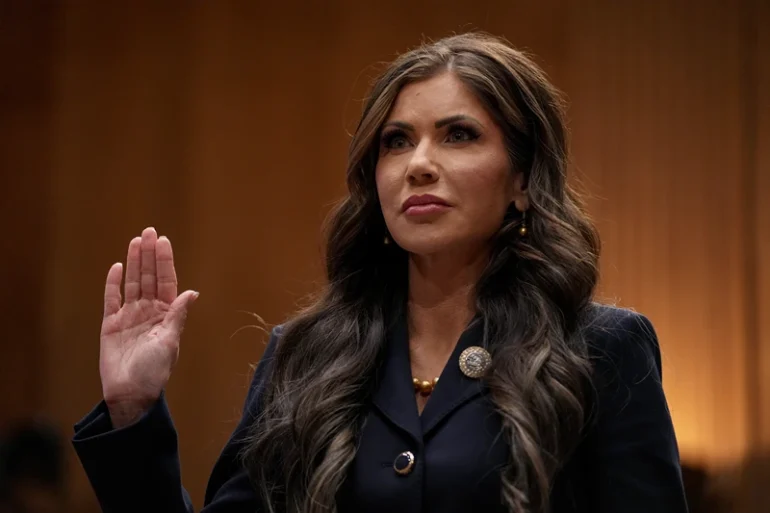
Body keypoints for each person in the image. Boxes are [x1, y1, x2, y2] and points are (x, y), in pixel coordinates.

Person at [72, 32, 688, 513]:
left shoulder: (601, 350)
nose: (417, 164)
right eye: (395, 141)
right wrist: (133, 410)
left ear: (522, 180)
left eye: (459, 135)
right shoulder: (306, 355)